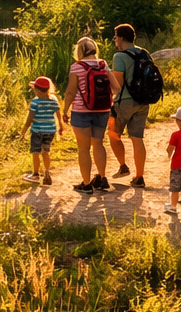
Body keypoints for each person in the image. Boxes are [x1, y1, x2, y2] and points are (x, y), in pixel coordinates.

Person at [64, 36, 113, 194]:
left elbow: (71, 92)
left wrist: (64, 110)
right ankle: (102, 178)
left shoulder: (76, 67)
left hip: (81, 111)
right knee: (98, 144)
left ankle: (86, 184)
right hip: (102, 110)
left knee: (83, 149)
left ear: (79, 51)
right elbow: (116, 86)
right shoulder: (103, 64)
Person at [108, 23, 151, 187]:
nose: (115, 41)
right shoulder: (145, 53)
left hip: (124, 102)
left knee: (113, 134)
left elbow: (117, 84)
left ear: (120, 38)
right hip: (143, 101)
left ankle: (123, 166)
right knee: (137, 139)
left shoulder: (119, 56)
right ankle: (139, 177)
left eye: (115, 38)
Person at [21, 75, 65, 186]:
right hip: (50, 131)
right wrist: (61, 125)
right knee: (46, 151)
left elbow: (30, 118)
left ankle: (36, 174)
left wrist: (24, 130)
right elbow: (58, 114)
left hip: (37, 131)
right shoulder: (53, 101)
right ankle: (46, 172)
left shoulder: (35, 102)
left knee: (35, 152)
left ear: (37, 90)